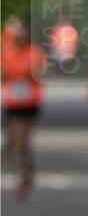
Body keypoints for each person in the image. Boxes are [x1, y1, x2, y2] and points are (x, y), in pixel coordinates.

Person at [1, 21, 45, 197]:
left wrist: (32, 73)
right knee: (16, 140)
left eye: (23, 33)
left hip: (29, 103)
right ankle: (26, 167)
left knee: (22, 139)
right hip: (12, 102)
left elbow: (43, 75)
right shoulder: (6, 51)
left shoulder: (35, 52)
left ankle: (22, 174)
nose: (20, 36)